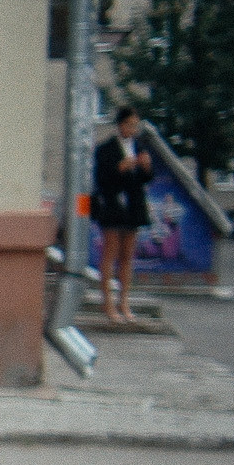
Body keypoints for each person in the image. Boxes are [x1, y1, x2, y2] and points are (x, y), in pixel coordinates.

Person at [93, 107, 155, 323]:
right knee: (110, 254)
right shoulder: (105, 149)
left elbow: (146, 179)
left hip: (133, 206)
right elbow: (101, 180)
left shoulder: (139, 147)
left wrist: (146, 168)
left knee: (128, 256)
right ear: (120, 125)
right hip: (112, 206)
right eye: (129, 125)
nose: (132, 129)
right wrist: (119, 168)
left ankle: (124, 302)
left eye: (135, 125)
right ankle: (108, 303)